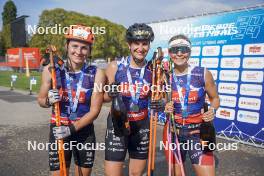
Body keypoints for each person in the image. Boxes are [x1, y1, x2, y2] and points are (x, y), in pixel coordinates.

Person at [37, 24, 105, 176]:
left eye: (84, 48)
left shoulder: (97, 73)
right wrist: (48, 100)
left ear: (89, 50)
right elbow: (40, 100)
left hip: (84, 130)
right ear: (67, 46)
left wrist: (71, 129)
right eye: (74, 46)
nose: (78, 52)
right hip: (58, 126)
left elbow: (95, 110)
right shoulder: (52, 70)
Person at [104, 23, 159, 176]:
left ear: (149, 45)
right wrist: (111, 93)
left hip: (142, 124)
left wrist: (161, 102)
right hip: (118, 123)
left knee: (136, 174)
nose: (140, 48)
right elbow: (104, 98)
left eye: (145, 44)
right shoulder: (115, 66)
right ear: (129, 44)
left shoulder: (153, 69)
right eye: (136, 43)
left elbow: (160, 96)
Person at [163, 34, 220, 176]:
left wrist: (212, 110)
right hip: (174, 133)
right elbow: (164, 102)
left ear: (189, 51)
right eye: (175, 49)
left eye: (184, 49)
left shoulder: (203, 73)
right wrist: (165, 107)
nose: (180, 53)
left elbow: (215, 98)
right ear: (169, 53)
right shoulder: (165, 77)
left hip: (198, 133)